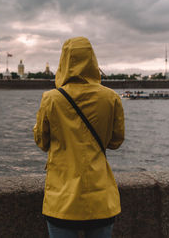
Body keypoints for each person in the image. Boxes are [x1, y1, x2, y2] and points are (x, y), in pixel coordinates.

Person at [33, 37, 125, 238]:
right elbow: (116, 142)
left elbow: (41, 142)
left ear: (63, 62)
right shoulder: (111, 98)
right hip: (101, 198)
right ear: (93, 60)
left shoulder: (51, 99)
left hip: (62, 200)